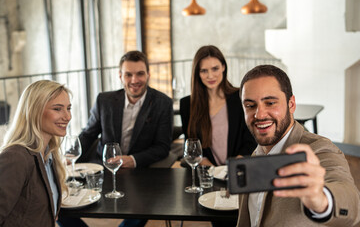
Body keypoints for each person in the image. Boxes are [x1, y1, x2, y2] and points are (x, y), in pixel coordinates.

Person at [237, 65, 360, 226]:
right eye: (250, 106)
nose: (259, 114)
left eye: (270, 103)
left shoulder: (320, 149)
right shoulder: (256, 154)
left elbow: (351, 202)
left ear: (291, 104)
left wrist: (322, 200)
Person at [75, 50, 173, 227]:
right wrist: (69, 159)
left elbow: (162, 146)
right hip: (102, 171)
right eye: (128, 74)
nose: (134, 80)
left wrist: (132, 160)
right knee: (59, 205)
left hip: (139, 173)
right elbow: (88, 135)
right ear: (120, 76)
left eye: (140, 74)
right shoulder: (104, 100)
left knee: (142, 211)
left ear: (148, 75)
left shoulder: (163, 103)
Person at [0, 80, 71, 226]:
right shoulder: (16, 157)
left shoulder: (49, 154)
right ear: (35, 111)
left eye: (68, 108)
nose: (67, 116)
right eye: (57, 109)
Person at [180, 45, 256, 167]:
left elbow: (250, 141)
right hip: (207, 173)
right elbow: (191, 147)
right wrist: (213, 172)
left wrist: (231, 169)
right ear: (197, 73)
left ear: (223, 67)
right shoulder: (187, 104)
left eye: (215, 69)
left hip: (238, 169)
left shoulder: (240, 97)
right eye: (204, 71)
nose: (210, 76)